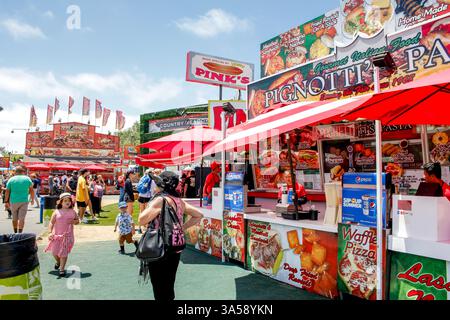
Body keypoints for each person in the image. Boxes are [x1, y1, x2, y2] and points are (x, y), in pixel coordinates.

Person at [138, 171, 203, 301]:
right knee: (169, 284)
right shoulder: (178, 201)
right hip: (175, 247)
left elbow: (141, 220)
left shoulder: (160, 200)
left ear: (162, 185)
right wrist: (181, 228)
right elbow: (198, 215)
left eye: (156, 183)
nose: (154, 185)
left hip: (159, 247)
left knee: (159, 287)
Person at [44, 193, 79, 278]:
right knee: (54, 252)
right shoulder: (56, 212)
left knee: (64, 253)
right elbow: (51, 223)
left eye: (69, 201)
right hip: (56, 236)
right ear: (61, 202)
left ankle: (62, 269)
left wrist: (74, 222)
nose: (67, 202)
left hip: (67, 237)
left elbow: (77, 221)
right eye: (65, 201)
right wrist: (50, 232)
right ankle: (58, 262)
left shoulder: (73, 212)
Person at [5, 165, 34, 233]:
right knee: (22, 219)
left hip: (13, 201)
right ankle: (20, 233)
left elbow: (7, 191)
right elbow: (31, 190)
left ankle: (15, 232)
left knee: (14, 218)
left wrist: (6, 201)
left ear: (15, 172)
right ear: (23, 172)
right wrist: (32, 199)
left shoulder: (11, 179)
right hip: (24, 201)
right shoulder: (27, 179)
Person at [137, 169, 153, 234]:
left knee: (141, 212)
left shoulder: (142, 178)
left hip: (140, 196)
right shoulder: (151, 180)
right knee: (147, 212)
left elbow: (138, 187)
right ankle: (146, 227)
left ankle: (139, 227)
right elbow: (152, 190)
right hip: (147, 197)